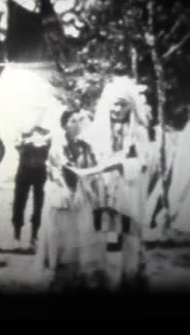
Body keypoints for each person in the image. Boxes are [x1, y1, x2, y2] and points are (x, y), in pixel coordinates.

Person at [67, 76, 157, 291]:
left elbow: (141, 163)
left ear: (130, 106)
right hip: (100, 189)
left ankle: (131, 278)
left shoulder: (139, 132)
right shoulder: (96, 132)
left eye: (123, 104)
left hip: (128, 189)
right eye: (114, 103)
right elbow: (85, 155)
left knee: (130, 236)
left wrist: (120, 164)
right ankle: (94, 278)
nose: (117, 108)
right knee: (95, 234)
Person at [36, 108, 100, 291]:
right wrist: (73, 189)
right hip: (62, 193)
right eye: (72, 121)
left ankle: (77, 273)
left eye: (79, 120)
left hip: (80, 195)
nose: (77, 124)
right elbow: (63, 172)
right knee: (61, 235)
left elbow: (91, 169)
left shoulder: (85, 146)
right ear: (63, 125)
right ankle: (58, 272)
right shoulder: (58, 146)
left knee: (79, 236)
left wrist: (90, 189)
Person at [12, 110, 52, 249]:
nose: (36, 119)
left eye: (39, 116)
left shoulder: (48, 133)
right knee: (19, 203)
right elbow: (17, 145)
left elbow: (50, 150)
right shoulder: (22, 133)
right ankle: (16, 236)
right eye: (33, 115)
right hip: (24, 171)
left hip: (40, 172)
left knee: (38, 205)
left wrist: (42, 139)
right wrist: (28, 139)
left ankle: (34, 237)